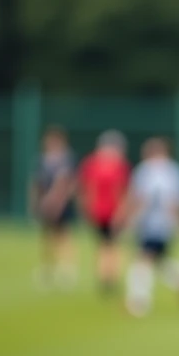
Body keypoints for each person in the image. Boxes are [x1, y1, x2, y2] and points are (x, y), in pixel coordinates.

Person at [118, 136, 179, 317]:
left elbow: (140, 198)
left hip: (151, 223)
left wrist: (130, 222)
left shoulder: (145, 170)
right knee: (158, 261)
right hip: (164, 224)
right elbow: (177, 201)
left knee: (142, 260)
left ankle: (139, 302)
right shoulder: (174, 170)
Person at [77, 129, 132, 295]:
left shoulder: (91, 163)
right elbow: (121, 192)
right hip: (112, 212)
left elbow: (86, 190)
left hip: (97, 211)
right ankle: (111, 277)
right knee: (113, 245)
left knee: (103, 245)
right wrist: (122, 213)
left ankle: (105, 277)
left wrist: (86, 210)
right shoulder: (119, 166)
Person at [30, 124, 78, 290]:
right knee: (47, 237)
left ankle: (66, 269)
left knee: (63, 235)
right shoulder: (42, 159)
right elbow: (37, 183)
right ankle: (47, 268)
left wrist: (58, 201)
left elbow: (67, 182)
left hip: (62, 203)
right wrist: (38, 202)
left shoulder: (66, 158)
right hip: (45, 203)